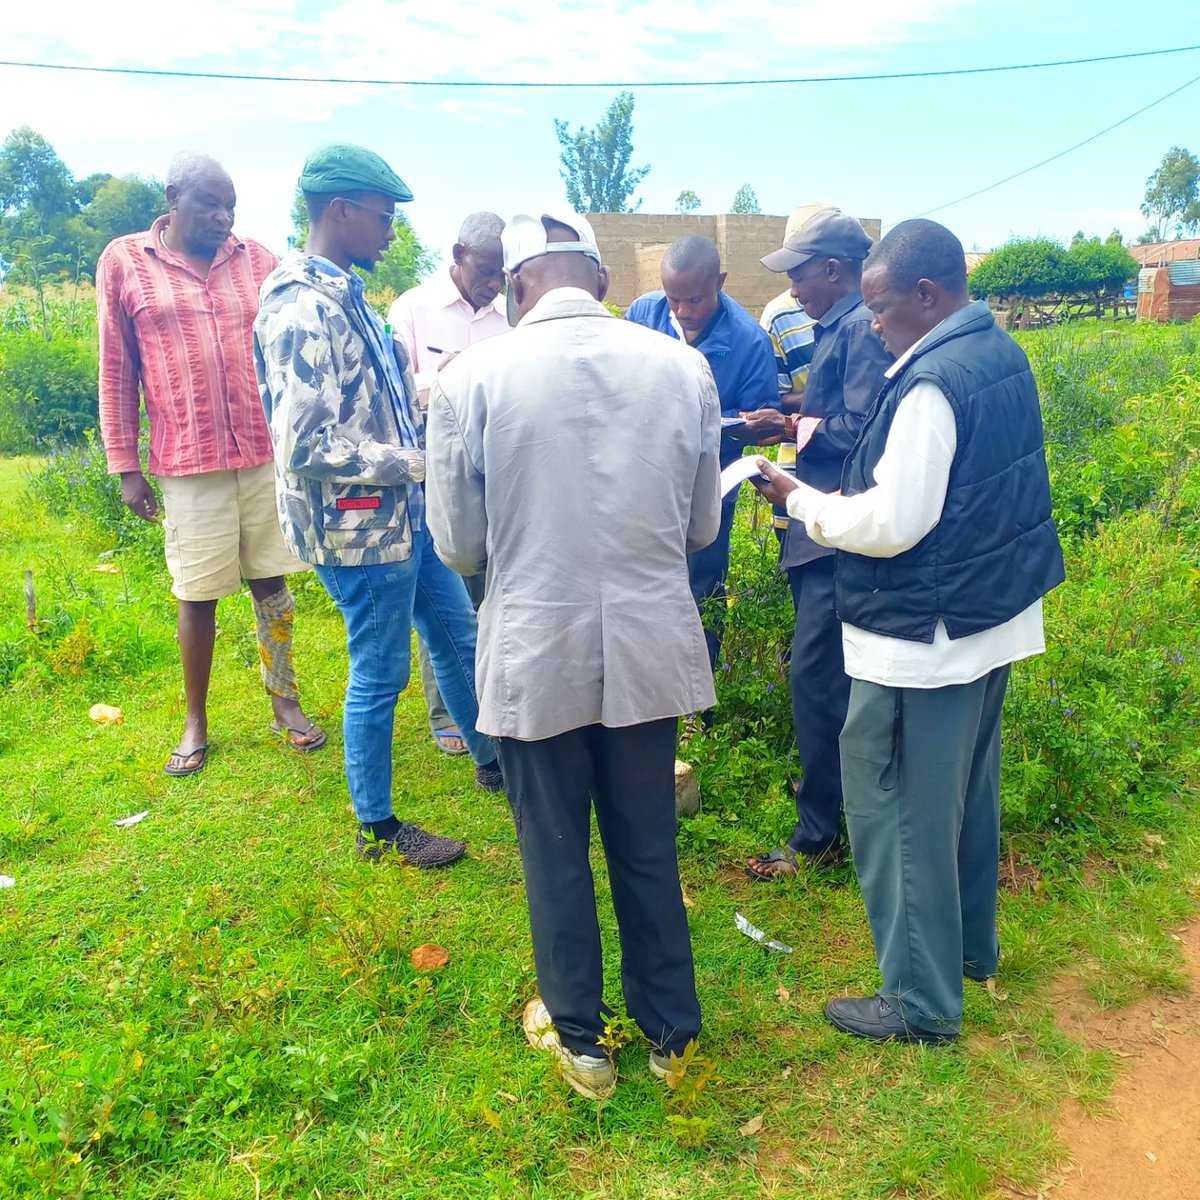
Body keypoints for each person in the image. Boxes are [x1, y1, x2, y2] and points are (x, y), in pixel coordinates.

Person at [425, 210, 721, 1099]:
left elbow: (459, 546)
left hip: (534, 648)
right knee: (647, 845)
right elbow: (703, 526)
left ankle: (584, 1047)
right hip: (648, 642)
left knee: (553, 849)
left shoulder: (469, 377)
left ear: (517, 288)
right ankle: (673, 1038)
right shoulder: (684, 366)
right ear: (596, 279)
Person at [752, 218, 1065, 1043]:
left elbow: (895, 523)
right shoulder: (997, 351)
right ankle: (967, 952)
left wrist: (801, 503)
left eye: (883, 310)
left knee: (902, 813)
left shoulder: (930, 383)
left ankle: (920, 1003)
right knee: (964, 799)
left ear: (927, 295)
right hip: (989, 619)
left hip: (923, 639)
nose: (874, 327)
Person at [254, 143, 503, 868]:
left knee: (458, 637)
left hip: (402, 516)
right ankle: (377, 829)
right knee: (381, 669)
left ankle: (493, 761)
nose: (393, 230)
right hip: (357, 527)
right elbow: (305, 442)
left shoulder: (345, 295)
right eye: (383, 215)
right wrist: (422, 464)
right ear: (340, 211)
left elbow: (382, 404)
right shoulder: (301, 308)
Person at [96, 153, 324, 778]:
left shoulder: (257, 260)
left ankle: (285, 700)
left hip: (261, 450)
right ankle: (196, 721)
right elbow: (117, 370)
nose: (223, 217)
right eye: (209, 206)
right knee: (197, 592)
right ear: (172, 197)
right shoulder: (126, 261)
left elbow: (292, 345)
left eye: (231, 207)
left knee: (271, 581)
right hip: (186, 459)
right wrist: (126, 465)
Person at [740, 209, 892, 880]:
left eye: (801, 276)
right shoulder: (844, 326)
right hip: (823, 527)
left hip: (836, 537)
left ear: (835, 269)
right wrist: (792, 407)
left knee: (818, 681)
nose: (795, 291)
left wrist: (789, 425)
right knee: (824, 679)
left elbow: (859, 428)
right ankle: (833, 810)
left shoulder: (859, 328)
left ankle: (819, 837)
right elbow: (838, 403)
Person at [626, 237, 778, 673]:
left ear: (720, 282)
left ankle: (698, 688)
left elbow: (761, 420)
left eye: (695, 299)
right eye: (675, 299)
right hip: (641, 481)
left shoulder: (749, 341)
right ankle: (645, 676)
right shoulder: (642, 315)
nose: (684, 311)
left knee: (703, 586)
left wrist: (737, 425)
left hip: (708, 487)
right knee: (640, 582)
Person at [388, 212, 509, 756]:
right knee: (445, 596)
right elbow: (394, 391)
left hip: (497, 469)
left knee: (492, 587)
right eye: (486, 269)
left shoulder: (509, 317)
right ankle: (447, 714)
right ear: (458, 254)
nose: (494, 282)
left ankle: (494, 700)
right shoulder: (414, 308)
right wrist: (448, 376)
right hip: (433, 471)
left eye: (502, 272)